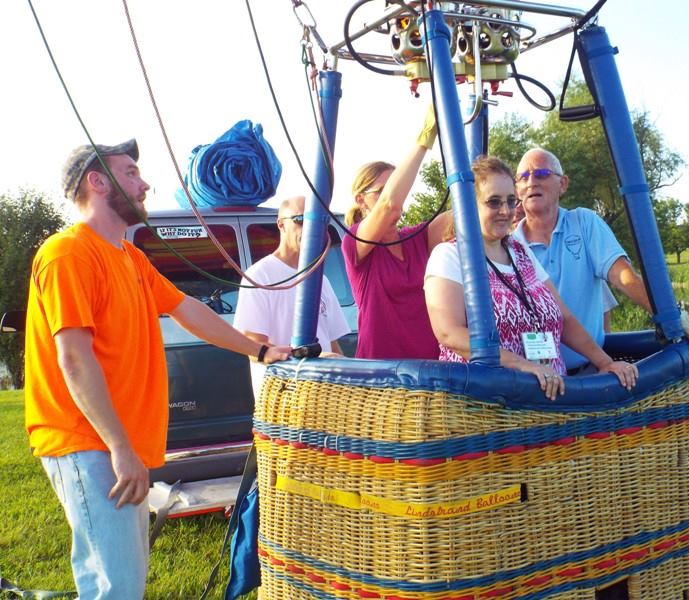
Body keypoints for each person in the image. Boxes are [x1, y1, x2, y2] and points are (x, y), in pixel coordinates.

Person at [24, 139, 290, 599]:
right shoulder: (68, 254)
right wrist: (119, 447)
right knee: (116, 586)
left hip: (114, 443)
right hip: (89, 441)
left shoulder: (131, 258)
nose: (144, 183)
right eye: (131, 173)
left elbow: (189, 310)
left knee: (122, 579)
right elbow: (74, 358)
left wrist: (259, 350)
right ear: (97, 181)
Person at [424, 156, 638, 400]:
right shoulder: (450, 256)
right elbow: (449, 332)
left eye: (510, 201)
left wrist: (605, 362)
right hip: (488, 404)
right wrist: (523, 365)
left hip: (551, 398)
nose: (505, 211)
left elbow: (564, 317)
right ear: (469, 206)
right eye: (494, 202)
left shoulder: (520, 251)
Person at [512, 148, 656, 374]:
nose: (531, 182)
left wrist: (671, 318)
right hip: (536, 380)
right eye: (523, 177)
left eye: (541, 174)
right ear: (517, 190)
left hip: (588, 372)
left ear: (563, 184)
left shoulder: (584, 223)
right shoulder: (509, 248)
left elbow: (623, 277)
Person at [342, 107, 451, 359]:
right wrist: (424, 139)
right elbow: (389, 206)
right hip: (380, 373)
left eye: (397, 186)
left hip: (428, 370)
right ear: (361, 200)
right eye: (381, 190)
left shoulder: (418, 239)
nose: (397, 195)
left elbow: (465, 211)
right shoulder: (354, 242)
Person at [234, 195, 350, 396]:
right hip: (282, 400)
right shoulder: (259, 276)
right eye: (300, 220)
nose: (310, 228)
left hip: (323, 399)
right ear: (281, 224)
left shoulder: (321, 279)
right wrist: (311, 360)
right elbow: (252, 346)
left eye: (318, 221)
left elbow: (332, 344)